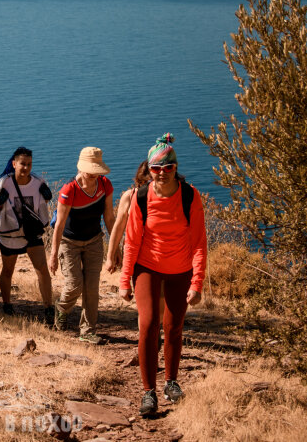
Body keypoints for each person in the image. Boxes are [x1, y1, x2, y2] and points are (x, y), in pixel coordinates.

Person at [119, 133, 207, 416]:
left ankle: (171, 382)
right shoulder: (141, 197)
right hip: (147, 267)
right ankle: (149, 392)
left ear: (175, 168)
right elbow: (132, 241)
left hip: (180, 270)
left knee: (173, 327)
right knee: (148, 325)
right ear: (149, 169)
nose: (162, 173)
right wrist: (124, 280)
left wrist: (197, 283)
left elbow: (199, 243)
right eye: (156, 168)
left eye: (168, 167)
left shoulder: (190, 196)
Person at [48, 146, 115, 345]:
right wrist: (53, 255)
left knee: (92, 288)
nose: (94, 174)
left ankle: (87, 331)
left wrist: (115, 248)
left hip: (94, 241)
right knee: (74, 284)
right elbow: (59, 225)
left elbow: (109, 218)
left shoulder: (105, 185)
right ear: (81, 167)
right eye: (90, 169)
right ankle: (62, 309)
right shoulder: (69, 189)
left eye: (96, 169)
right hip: (69, 243)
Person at [0, 147, 55, 324]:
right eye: (22, 164)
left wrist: (47, 197)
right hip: (10, 234)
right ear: (14, 164)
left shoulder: (38, 182)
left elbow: (42, 203)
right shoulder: (4, 183)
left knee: (42, 269)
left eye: (29, 164)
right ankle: (7, 305)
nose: (26, 168)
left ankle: (49, 308)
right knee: (8, 270)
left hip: (32, 232)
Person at [104, 161, 152, 273]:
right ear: (141, 181)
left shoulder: (168, 199)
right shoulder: (130, 196)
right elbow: (118, 227)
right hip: (135, 252)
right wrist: (110, 257)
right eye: (146, 182)